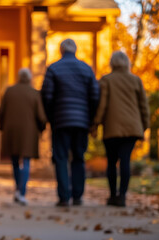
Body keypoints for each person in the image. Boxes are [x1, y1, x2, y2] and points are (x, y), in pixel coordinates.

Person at [41, 39, 100, 207]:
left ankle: (64, 196)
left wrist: (51, 117)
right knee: (78, 158)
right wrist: (90, 118)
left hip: (60, 121)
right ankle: (78, 195)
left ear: (61, 51)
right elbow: (95, 96)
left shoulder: (53, 68)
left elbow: (47, 96)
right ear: (75, 50)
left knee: (60, 158)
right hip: (81, 122)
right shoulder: (86, 69)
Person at [92, 51, 149, 207]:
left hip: (112, 128)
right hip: (132, 128)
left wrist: (95, 124)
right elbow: (144, 106)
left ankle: (112, 195)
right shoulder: (136, 80)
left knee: (111, 162)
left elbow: (101, 105)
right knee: (125, 160)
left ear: (112, 63)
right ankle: (122, 195)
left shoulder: (106, 80)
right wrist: (145, 126)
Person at [0, 68, 47, 205]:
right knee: (26, 161)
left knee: (15, 161)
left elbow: (1, 112)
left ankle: (17, 189)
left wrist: (2, 127)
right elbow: (41, 116)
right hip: (28, 132)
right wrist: (41, 129)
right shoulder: (34, 93)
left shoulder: (9, 91)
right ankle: (22, 191)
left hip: (11, 131)